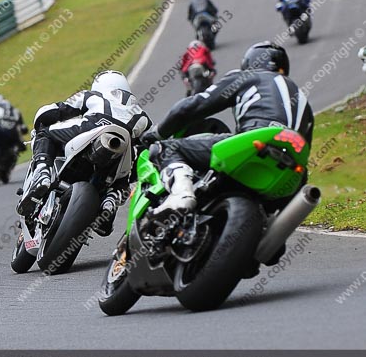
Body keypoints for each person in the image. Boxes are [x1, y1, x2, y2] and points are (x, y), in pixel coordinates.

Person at [142, 42, 314, 216]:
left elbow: (191, 107)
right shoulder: (302, 99)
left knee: (165, 148)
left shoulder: (248, 76)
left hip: (254, 141)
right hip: (292, 169)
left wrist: (156, 133)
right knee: (272, 217)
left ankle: (181, 196)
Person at [18, 71, 152, 235]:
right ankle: (111, 201)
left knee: (46, 133)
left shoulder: (92, 95)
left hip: (92, 127)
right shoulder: (142, 114)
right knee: (126, 174)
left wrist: (41, 121)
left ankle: (43, 174)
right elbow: (148, 148)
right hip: (124, 144)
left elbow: (55, 110)